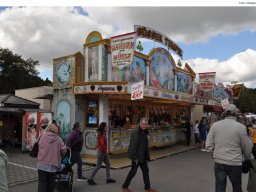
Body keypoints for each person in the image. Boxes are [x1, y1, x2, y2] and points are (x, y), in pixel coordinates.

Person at [206, 104, 252, 192]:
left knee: (220, 187)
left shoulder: (215, 125)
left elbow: (208, 145)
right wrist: (247, 159)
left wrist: (214, 155)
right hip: (235, 163)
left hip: (219, 162)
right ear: (236, 114)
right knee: (237, 187)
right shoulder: (241, 127)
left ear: (225, 113)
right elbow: (247, 147)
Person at [122, 117, 157, 192]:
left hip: (143, 156)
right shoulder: (136, 132)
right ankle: (125, 187)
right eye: (143, 124)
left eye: (146, 124)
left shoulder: (145, 131)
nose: (145, 125)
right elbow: (132, 146)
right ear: (140, 124)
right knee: (133, 172)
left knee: (146, 171)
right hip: (137, 157)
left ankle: (147, 187)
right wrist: (135, 158)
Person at [37, 123, 67, 192]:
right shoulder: (58, 139)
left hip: (41, 164)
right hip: (52, 165)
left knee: (41, 183)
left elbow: (38, 145)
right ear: (56, 130)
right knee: (51, 185)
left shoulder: (42, 136)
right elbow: (64, 150)